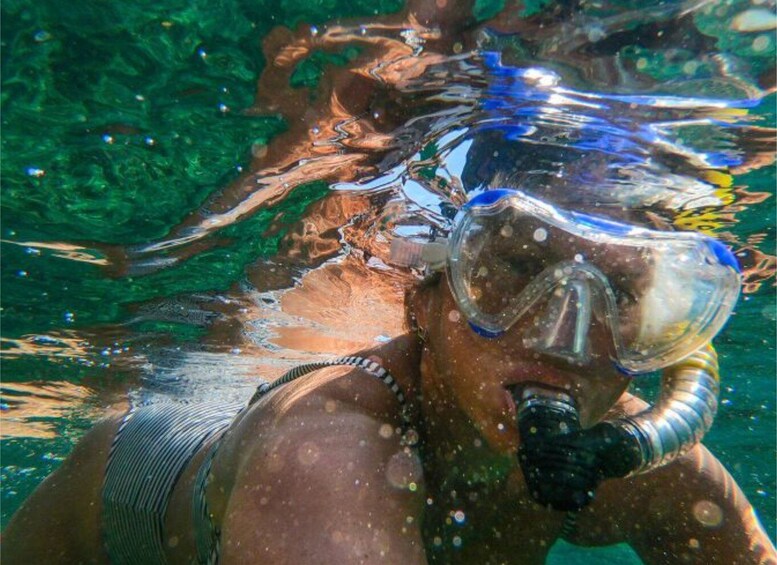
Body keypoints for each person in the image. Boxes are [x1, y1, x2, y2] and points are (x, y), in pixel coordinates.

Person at [4, 187, 776, 564]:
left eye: (625, 296)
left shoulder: (631, 459)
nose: (565, 336)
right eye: (514, 268)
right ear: (424, 302)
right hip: (123, 496)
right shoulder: (327, 447)